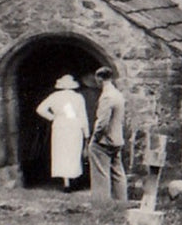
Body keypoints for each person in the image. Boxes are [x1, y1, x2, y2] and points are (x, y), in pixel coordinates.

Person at [36, 74, 88, 192]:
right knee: (73, 152)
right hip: (74, 125)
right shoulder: (78, 97)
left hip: (60, 126)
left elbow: (40, 109)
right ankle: (73, 179)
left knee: (62, 152)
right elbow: (82, 116)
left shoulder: (54, 96)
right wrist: (86, 134)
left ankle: (66, 182)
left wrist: (53, 117)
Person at [88, 66, 128, 203]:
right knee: (117, 172)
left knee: (101, 173)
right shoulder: (118, 94)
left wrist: (94, 139)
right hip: (117, 139)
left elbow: (102, 122)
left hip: (104, 141)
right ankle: (121, 201)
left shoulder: (106, 96)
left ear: (99, 78)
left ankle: (101, 204)